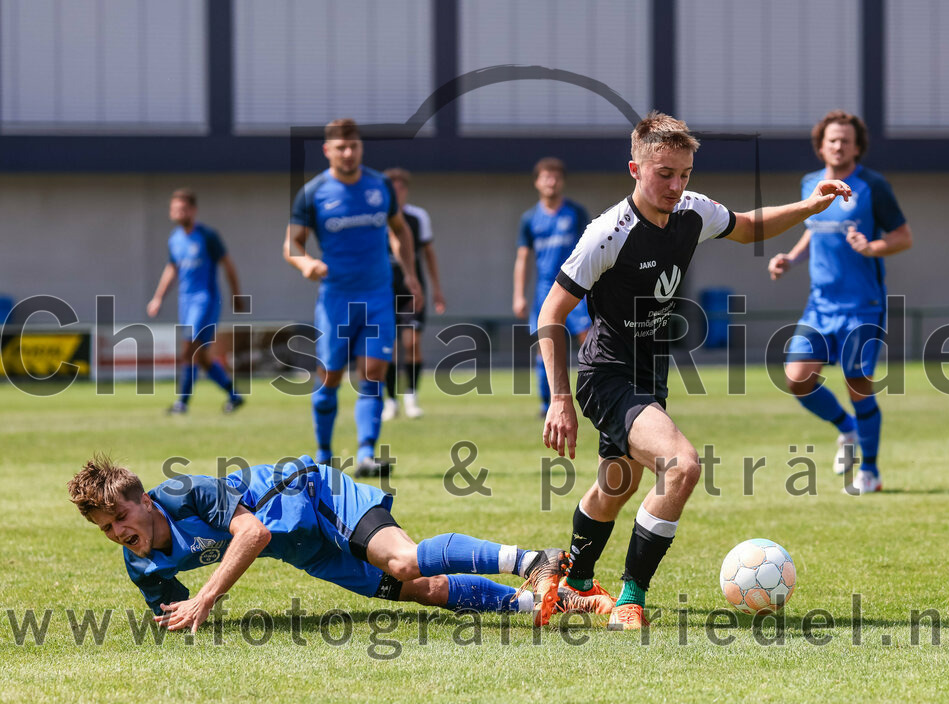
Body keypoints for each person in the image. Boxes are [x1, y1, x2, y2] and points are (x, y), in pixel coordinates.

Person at [537, 111, 852, 630]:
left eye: (684, 173)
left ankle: (574, 583)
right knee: (681, 464)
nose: (676, 185)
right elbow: (551, 314)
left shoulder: (692, 210)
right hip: (607, 374)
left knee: (616, 485)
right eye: (664, 173)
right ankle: (630, 600)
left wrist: (810, 206)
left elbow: (748, 226)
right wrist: (559, 399)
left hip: (648, 375)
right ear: (635, 168)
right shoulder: (606, 234)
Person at [67, 454, 609, 631]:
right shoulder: (139, 563)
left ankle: (535, 561)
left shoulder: (185, 494)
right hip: (306, 549)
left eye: (120, 518)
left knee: (403, 560)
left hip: (315, 494)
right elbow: (168, 614)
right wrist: (177, 618)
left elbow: (252, 533)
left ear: (144, 499)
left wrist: (205, 599)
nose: (118, 533)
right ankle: (539, 600)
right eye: (106, 529)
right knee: (420, 589)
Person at [769, 110, 912, 494]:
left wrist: (872, 246)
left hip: (862, 306)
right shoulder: (810, 184)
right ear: (821, 146)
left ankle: (871, 471)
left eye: (846, 140)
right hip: (820, 305)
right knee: (797, 379)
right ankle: (846, 429)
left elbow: (903, 236)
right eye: (832, 139)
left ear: (857, 146)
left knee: (857, 384)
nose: (839, 145)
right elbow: (813, 232)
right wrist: (790, 259)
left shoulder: (873, 186)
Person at [284, 119, 422, 477]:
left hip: (377, 295)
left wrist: (409, 274)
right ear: (328, 150)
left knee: (373, 372)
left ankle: (365, 454)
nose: (348, 153)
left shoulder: (379, 186)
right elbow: (291, 243)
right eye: (341, 147)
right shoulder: (313, 193)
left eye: (354, 146)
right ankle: (324, 454)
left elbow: (400, 230)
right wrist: (306, 263)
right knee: (330, 374)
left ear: (360, 148)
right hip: (336, 298)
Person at [147, 188, 243, 415]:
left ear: (193, 210)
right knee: (200, 357)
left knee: (189, 348)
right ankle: (234, 395)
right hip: (186, 301)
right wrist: (158, 298)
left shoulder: (208, 236)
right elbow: (172, 268)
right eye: (174, 209)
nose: (178, 213)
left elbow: (228, 264)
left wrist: (236, 295)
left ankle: (182, 403)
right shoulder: (175, 240)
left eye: (182, 208)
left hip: (205, 299)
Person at [513, 158, 591, 416]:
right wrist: (519, 296)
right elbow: (523, 258)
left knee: (588, 339)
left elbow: (591, 250)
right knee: (545, 343)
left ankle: (596, 395)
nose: (551, 181)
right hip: (545, 287)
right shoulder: (529, 219)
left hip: (576, 285)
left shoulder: (576, 213)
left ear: (562, 181)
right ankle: (547, 404)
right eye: (546, 176)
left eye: (556, 177)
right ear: (537, 182)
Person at [380, 168, 447, 421]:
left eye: (400, 188)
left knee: (412, 343)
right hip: (382, 289)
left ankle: (411, 396)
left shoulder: (418, 218)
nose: (396, 192)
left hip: (411, 289)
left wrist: (437, 288)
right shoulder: (375, 217)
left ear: (405, 190)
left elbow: (428, 254)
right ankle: (390, 400)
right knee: (387, 346)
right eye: (391, 188)